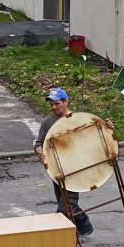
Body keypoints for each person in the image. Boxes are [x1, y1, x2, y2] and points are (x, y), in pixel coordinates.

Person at [34, 88, 94, 238]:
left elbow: (93, 140)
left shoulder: (77, 120)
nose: (54, 107)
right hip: (56, 171)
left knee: (65, 207)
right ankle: (85, 226)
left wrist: (109, 127)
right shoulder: (48, 122)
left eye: (57, 104)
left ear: (66, 102)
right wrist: (41, 153)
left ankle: (56, 238)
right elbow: (39, 143)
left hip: (75, 171)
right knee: (67, 202)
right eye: (51, 105)